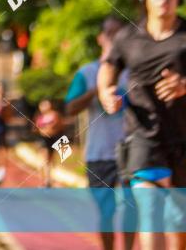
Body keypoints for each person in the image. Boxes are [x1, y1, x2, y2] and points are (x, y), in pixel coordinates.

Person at [99, 0, 186, 250]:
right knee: (150, 212)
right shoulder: (128, 38)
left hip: (182, 138)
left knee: (178, 220)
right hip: (143, 137)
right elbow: (109, 66)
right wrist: (105, 91)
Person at [64, 15, 136, 250]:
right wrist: (96, 91)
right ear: (100, 38)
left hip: (131, 151)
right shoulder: (86, 72)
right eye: (110, 33)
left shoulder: (134, 71)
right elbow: (70, 108)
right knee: (106, 212)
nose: (114, 38)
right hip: (98, 154)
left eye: (119, 33)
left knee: (131, 209)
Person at [34, 99, 66, 188]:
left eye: (45, 105)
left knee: (51, 160)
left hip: (53, 139)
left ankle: (49, 179)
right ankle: (45, 180)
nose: (44, 107)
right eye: (42, 105)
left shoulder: (55, 115)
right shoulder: (40, 117)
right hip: (42, 140)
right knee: (44, 158)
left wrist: (50, 129)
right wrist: (43, 130)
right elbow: (36, 128)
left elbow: (59, 125)